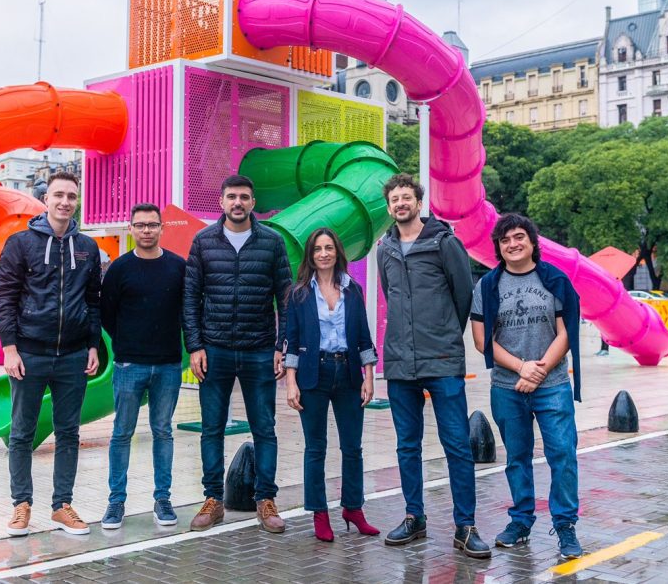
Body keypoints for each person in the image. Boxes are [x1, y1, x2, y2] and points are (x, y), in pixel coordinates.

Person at [375, 173, 491, 559]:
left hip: (442, 360)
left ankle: (466, 525)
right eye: (394, 200)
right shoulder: (384, 250)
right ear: (389, 207)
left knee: (457, 445)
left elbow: (463, 296)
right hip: (398, 364)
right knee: (407, 446)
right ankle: (414, 518)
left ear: (418, 202)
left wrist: (443, 337)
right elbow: (390, 298)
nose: (400, 204)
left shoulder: (445, 242)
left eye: (406, 197)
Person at [469, 213, 584, 561]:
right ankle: (521, 521)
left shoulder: (554, 280)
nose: (513, 244)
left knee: (562, 454)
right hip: (506, 385)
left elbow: (566, 333)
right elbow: (480, 340)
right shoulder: (487, 286)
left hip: (552, 385)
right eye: (505, 240)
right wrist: (521, 367)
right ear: (498, 248)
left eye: (519, 237)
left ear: (533, 242)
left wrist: (538, 371)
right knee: (517, 458)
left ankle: (565, 526)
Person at [0, 171, 101, 536]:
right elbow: (4, 298)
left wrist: (92, 344)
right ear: (46, 199)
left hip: (72, 356)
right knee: (22, 433)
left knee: (68, 433)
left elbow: (93, 301)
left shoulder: (87, 247)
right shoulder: (20, 244)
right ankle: (21, 505)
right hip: (29, 353)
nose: (65, 202)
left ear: (77, 201)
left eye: (71, 196)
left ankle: (62, 506)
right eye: (58, 195)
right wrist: (10, 348)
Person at [183, 174, 293, 533]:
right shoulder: (203, 242)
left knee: (265, 428)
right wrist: (195, 346)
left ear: (252, 202)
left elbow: (285, 297)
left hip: (260, 349)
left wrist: (282, 346)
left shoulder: (272, 242)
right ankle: (214, 500)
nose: (238, 203)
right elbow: (191, 298)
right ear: (222, 201)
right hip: (214, 349)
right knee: (211, 428)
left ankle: (265, 499)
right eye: (232, 197)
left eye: (244, 197)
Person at [283, 228, 380, 542]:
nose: (323, 254)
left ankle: (353, 508)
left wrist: (369, 377)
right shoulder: (298, 294)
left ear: (338, 252)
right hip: (314, 374)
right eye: (317, 249)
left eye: (329, 248)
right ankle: (319, 513)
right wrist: (290, 383)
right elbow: (292, 342)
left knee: (352, 448)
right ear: (310, 256)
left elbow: (364, 337)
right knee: (316, 449)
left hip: (349, 373)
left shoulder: (353, 290)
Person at [99, 203, 186, 530]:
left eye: (152, 225)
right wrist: (125, 344)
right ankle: (115, 501)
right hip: (128, 365)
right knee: (122, 432)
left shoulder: (179, 267)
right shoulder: (119, 269)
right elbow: (106, 313)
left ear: (162, 228)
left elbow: (187, 310)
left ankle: (162, 498)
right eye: (140, 225)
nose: (147, 230)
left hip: (167, 365)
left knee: (163, 431)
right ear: (132, 229)